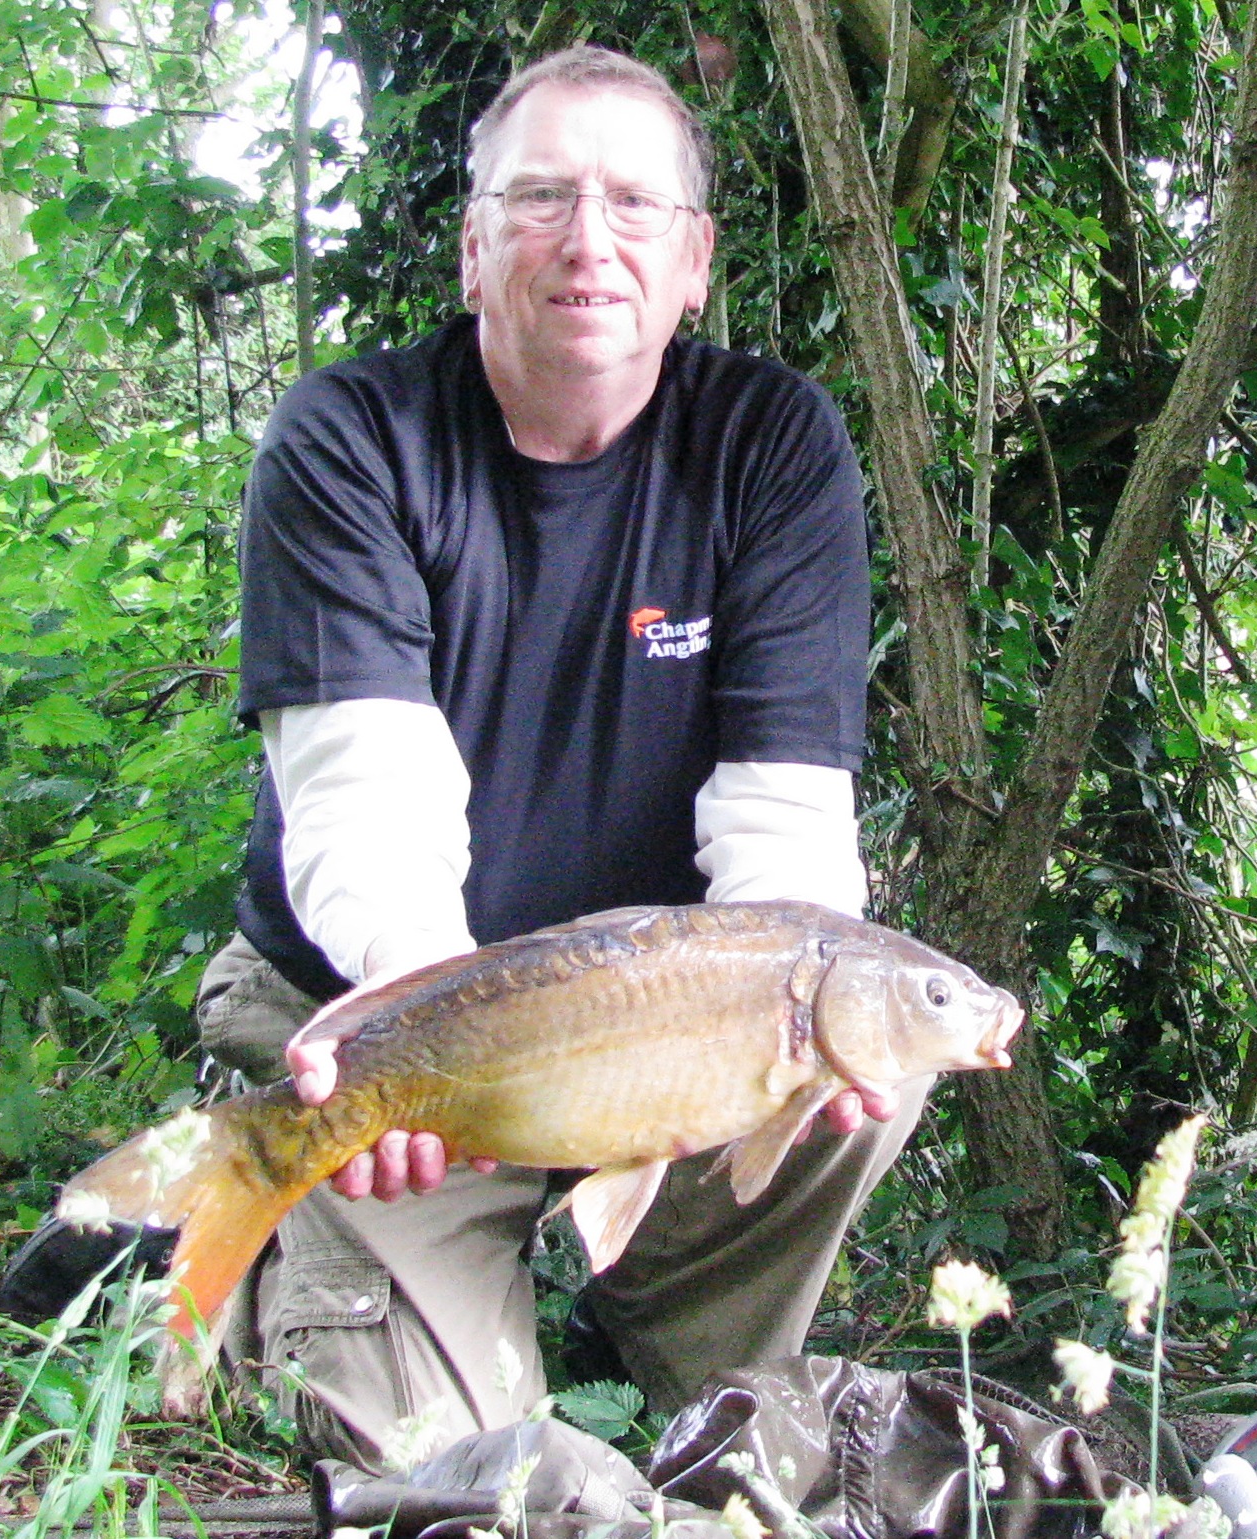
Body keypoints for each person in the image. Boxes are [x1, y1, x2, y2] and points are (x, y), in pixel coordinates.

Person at [193, 44, 931, 1471]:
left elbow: (785, 829)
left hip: (651, 1033)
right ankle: (273, 1254)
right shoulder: (351, 440)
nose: (589, 241)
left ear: (696, 259)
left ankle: (681, 1345)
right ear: (472, 248)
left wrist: (794, 1006)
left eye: (634, 206)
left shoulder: (775, 445)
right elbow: (364, 806)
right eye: (539, 199)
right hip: (381, 1016)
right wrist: (401, 1036)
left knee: (859, 1035)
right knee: (454, 1481)